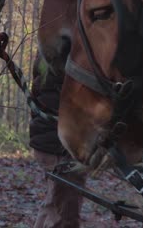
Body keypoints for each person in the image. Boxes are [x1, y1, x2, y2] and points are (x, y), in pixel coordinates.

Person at [29, 53, 86, 228]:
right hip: (60, 145)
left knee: (53, 206)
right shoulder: (69, 50)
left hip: (54, 142)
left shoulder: (51, 50)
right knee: (65, 216)